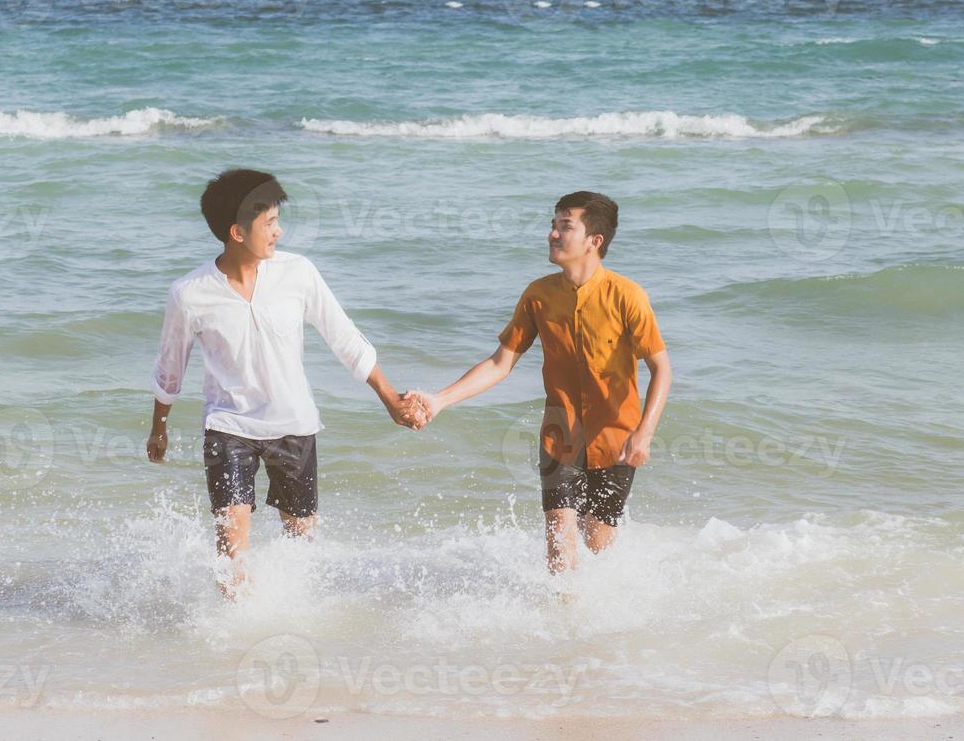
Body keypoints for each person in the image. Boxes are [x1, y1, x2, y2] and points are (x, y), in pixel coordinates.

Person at [146, 168, 421, 598]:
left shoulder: (298, 273)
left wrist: (389, 397)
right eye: (269, 223)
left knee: (301, 545)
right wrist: (159, 426)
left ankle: (293, 625)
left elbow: (345, 337)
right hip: (228, 428)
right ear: (237, 232)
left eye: (278, 220)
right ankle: (234, 636)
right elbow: (170, 366)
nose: (280, 231)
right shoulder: (189, 292)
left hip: (294, 426)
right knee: (231, 546)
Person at [409, 191, 672, 574]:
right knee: (559, 545)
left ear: (594, 241)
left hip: (616, 439)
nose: (552, 234)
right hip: (560, 436)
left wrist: (645, 432)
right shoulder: (539, 295)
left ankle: (595, 625)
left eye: (565, 227)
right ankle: (562, 622)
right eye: (553, 225)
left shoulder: (627, 296)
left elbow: (661, 368)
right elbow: (500, 363)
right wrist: (439, 400)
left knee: (598, 547)